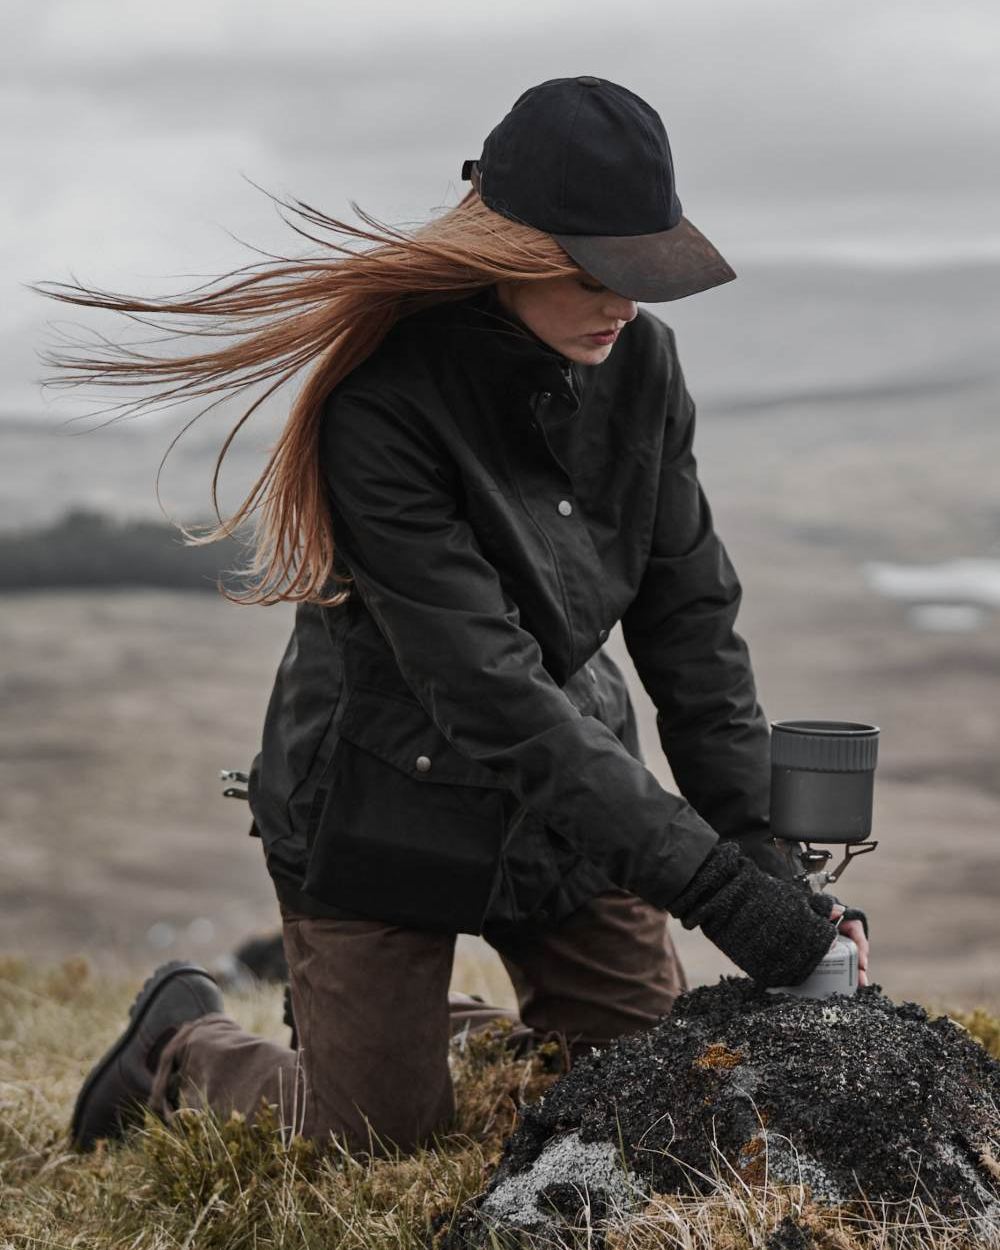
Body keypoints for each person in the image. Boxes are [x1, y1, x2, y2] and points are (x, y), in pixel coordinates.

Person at [55, 76, 869, 1155]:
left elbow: (692, 631)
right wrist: (718, 890)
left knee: (643, 1084)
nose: (625, 304)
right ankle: (181, 1045)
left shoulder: (641, 364)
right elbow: (486, 690)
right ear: (512, 254)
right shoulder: (379, 404)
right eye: (596, 273)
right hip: (385, 798)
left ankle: (413, 1035)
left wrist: (765, 860)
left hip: (569, 802)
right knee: (372, 1132)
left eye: (643, 271)